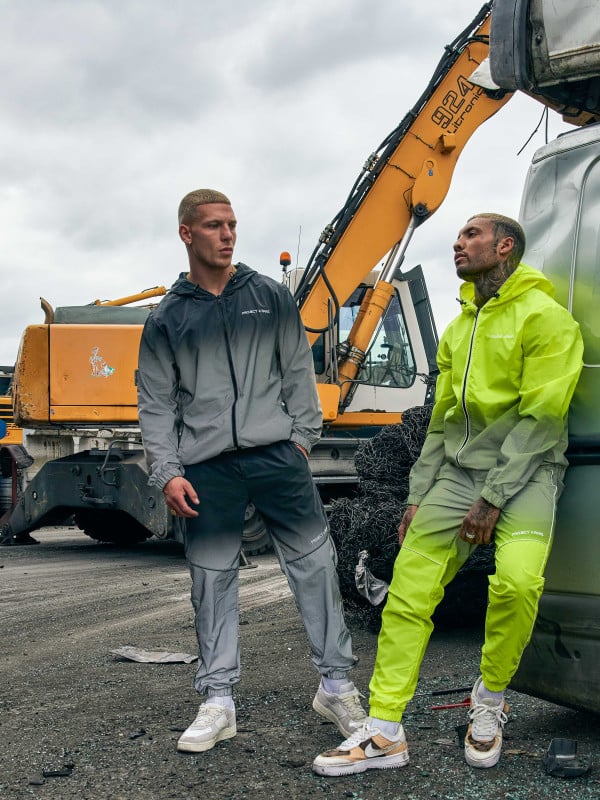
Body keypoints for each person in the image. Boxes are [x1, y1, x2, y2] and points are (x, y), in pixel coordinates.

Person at [312, 213, 584, 776]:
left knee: (517, 582)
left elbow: (542, 416)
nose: (458, 243)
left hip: (528, 473)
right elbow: (440, 422)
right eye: (458, 236)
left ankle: (490, 698)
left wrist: (494, 496)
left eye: (471, 235)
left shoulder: (546, 318)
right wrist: (417, 494)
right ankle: (385, 730)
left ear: (504, 246)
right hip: (456, 477)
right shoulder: (459, 329)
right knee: (408, 593)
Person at [137, 188, 366, 754]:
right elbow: (157, 403)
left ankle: (336, 686)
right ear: (187, 234)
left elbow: (297, 371)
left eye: (233, 224)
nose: (228, 234)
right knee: (211, 581)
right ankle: (217, 700)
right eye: (214, 226)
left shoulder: (267, 295)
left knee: (315, 567)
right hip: (206, 466)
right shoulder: (168, 318)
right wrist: (166, 471)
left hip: (276, 458)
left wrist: (301, 442)